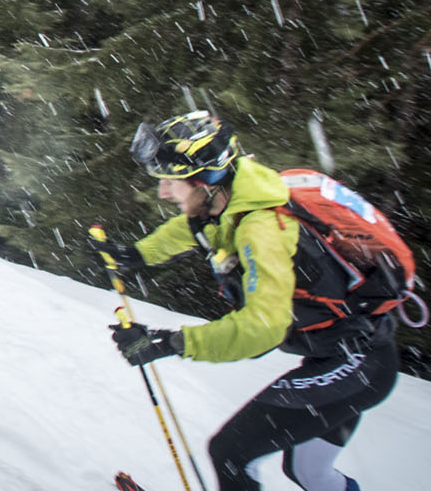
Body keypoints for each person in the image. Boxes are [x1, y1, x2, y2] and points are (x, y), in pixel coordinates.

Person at [93, 111, 399, 491]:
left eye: (171, 181)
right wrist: (138, 254)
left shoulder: (262, 229)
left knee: (231, 453)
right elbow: (197, 228)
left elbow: (263, 328)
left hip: (357, 365)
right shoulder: (237, 196)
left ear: (205, 181)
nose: (163, 192)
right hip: (349, 354)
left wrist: (172, 342)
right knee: (309, 473)